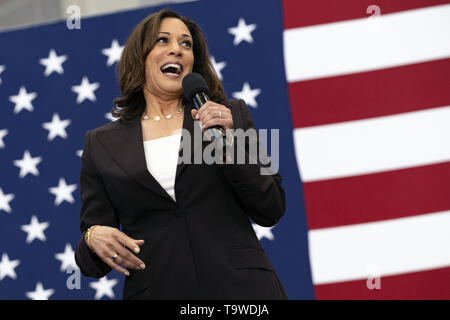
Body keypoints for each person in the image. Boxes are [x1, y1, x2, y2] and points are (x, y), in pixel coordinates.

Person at [74, 9, 287, 300]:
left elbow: (271, 206)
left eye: (186, 44)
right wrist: (91, 237)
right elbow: (90, 262)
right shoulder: (100, 144)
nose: (177, 49)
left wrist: (229, 144)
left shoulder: (229, 114)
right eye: (163, 41)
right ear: (141, 56)